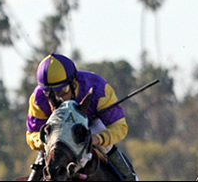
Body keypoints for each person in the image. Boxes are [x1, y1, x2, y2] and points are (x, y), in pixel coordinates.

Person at [26, 53, 137, 181]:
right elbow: (31, 135)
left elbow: (120, 127)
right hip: (56, 135)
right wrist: (48, 139)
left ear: (74, 83)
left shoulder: (99, 88)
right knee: (44, 154)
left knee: (102, 135)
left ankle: (130, 177)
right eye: (49, 93)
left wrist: (98, 139)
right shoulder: (38, 98)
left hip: (91, 128)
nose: (57, 99)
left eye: (62, 91)